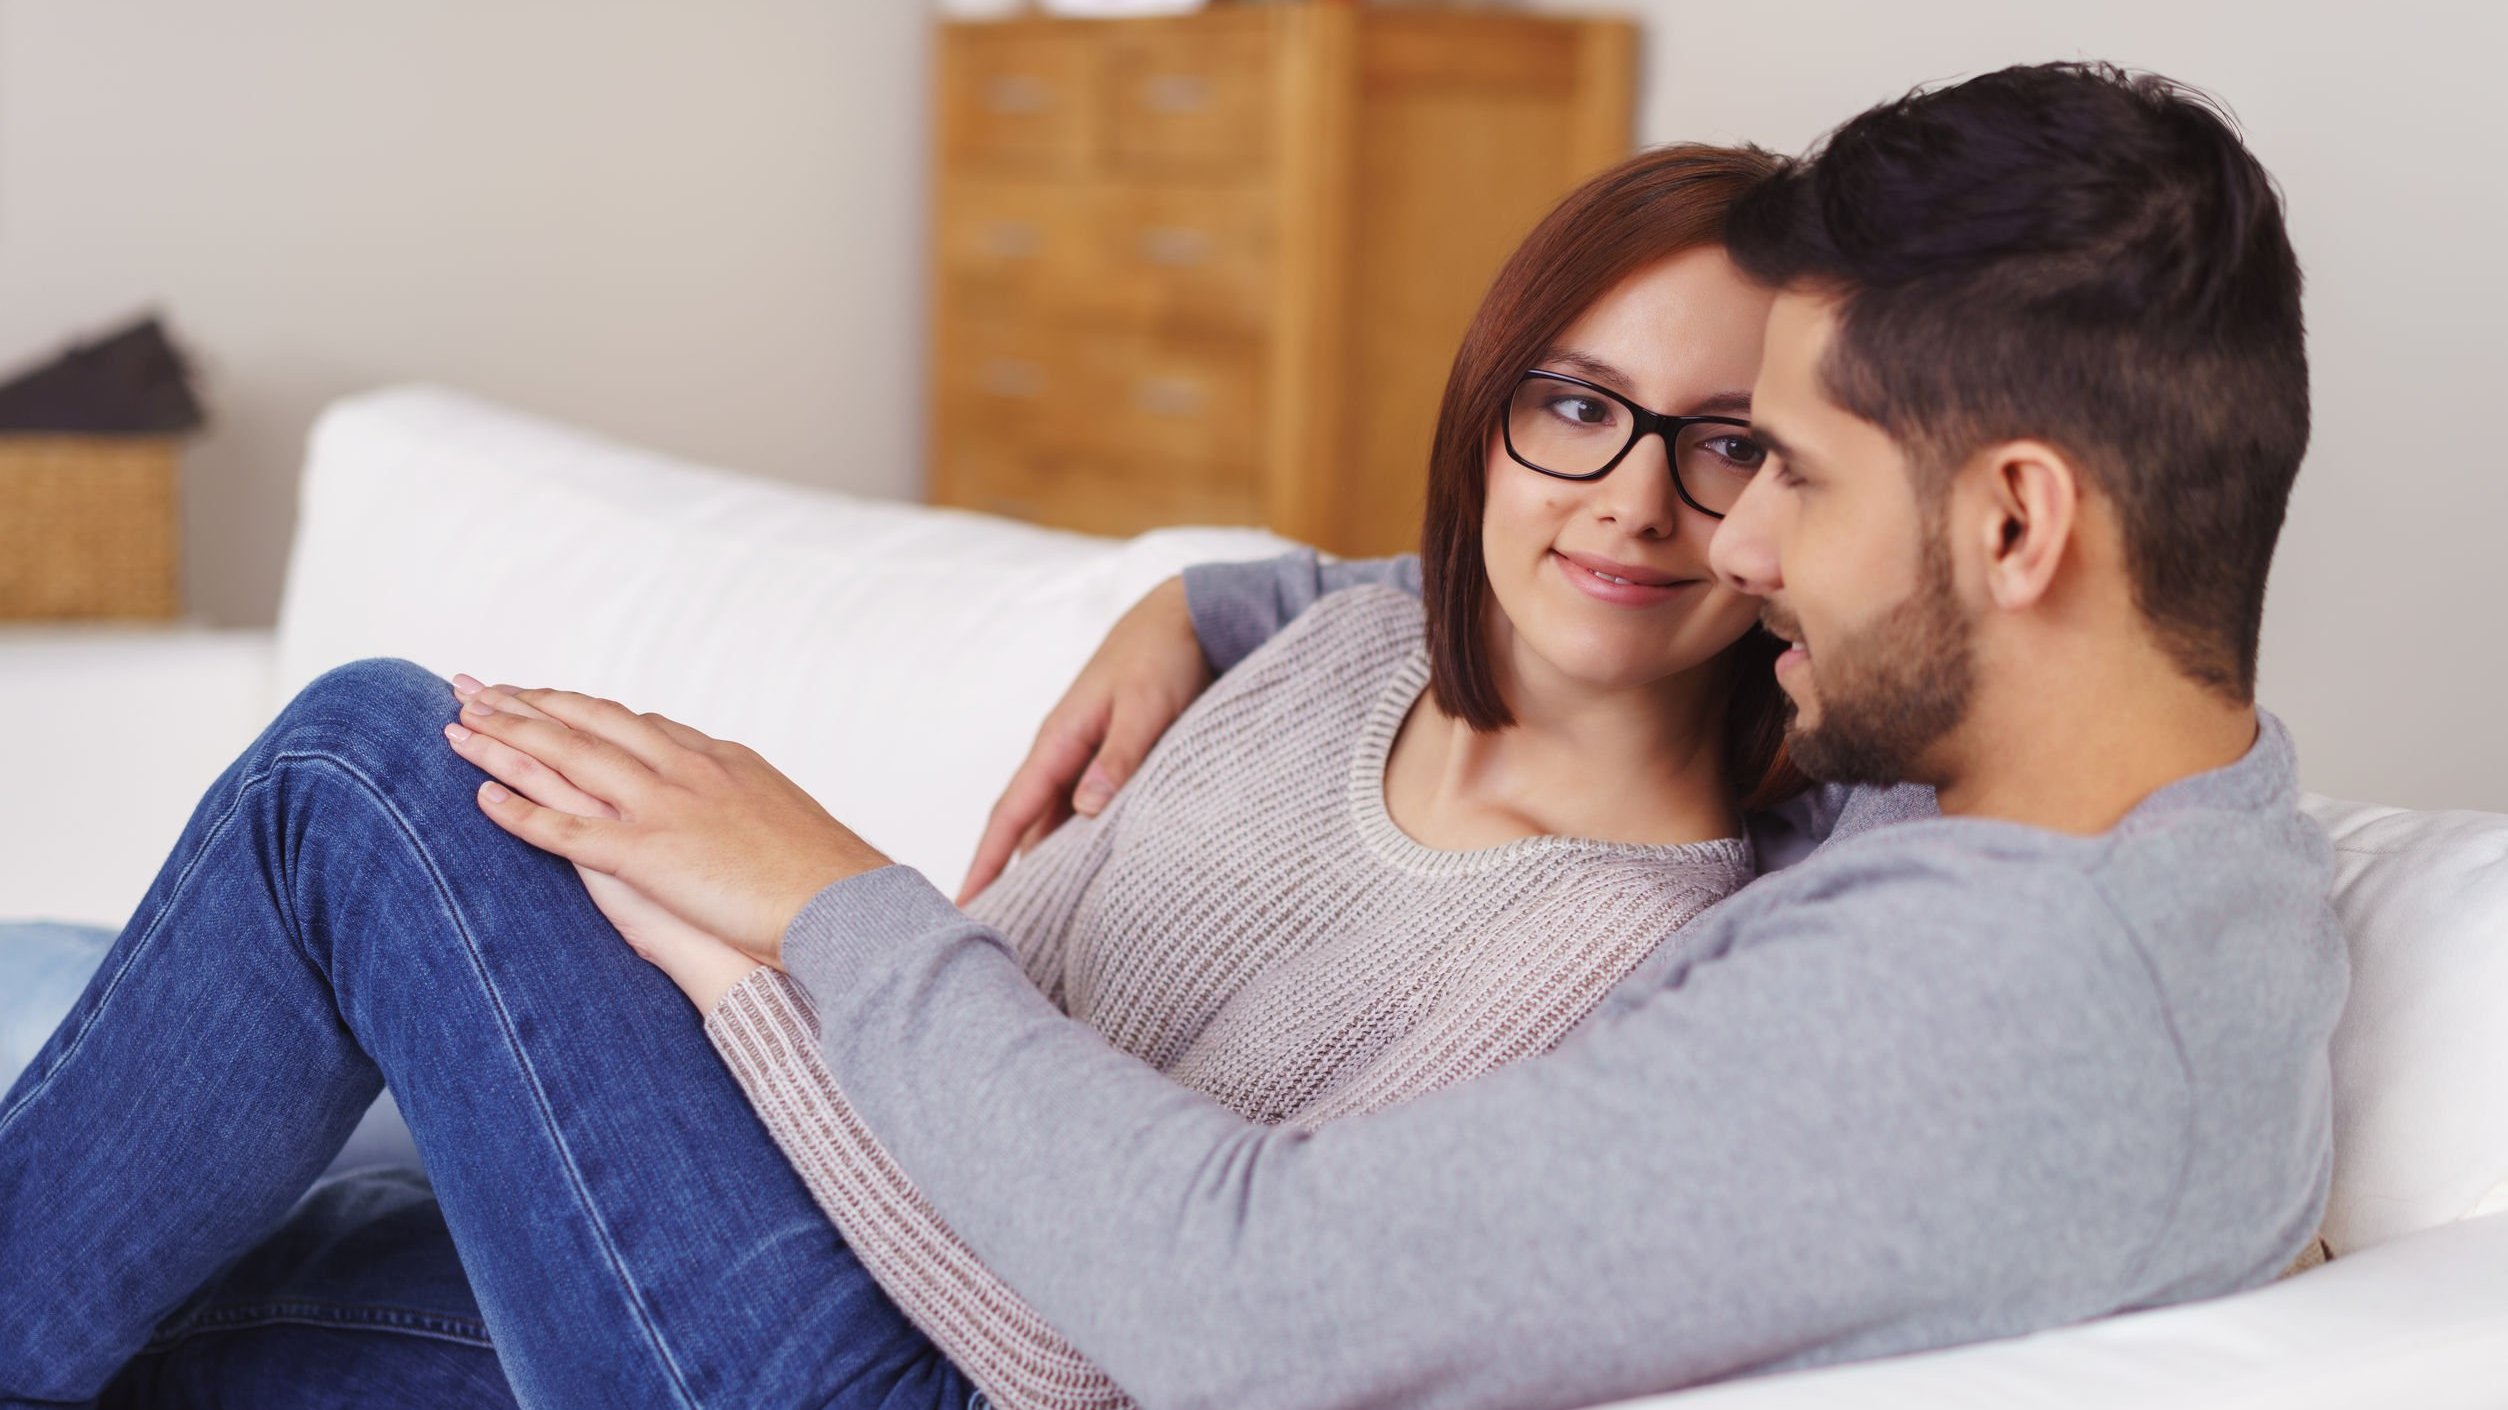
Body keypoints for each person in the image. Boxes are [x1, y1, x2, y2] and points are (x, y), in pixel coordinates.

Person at [415, 61, 2342, 1409]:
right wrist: (1220, 603)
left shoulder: (1955, 1008)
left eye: (1789, 477)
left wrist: (832, 908)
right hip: (880, 1253)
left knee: (369, 787)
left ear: (2016, 525)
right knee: (223, 1267)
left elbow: (1242, 1308)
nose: (1733, 545)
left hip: (974, 1344)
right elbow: (1560, 597)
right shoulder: (2149, 816)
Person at [1, 143, 1813, 1407]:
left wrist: (751, 947)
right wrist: (1185, 601)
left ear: (1804, 498)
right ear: (1491, 411)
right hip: (790, 1222)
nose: (1634, 497)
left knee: (374, 771)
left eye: (1725, 445)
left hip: (913, 1378)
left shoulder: (1627, 954)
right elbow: (996, 986)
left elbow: (1085, 1361)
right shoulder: (1346, 645)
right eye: (1576, 405)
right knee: (149, 1184)